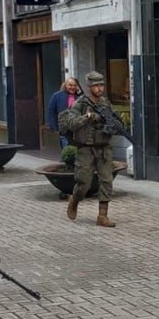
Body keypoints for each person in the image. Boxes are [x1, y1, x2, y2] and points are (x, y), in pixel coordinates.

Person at [60, 71, 117, 227]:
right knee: (84, 181)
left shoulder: (105, 103)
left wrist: (115, 125)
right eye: (96, 86)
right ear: (89, 86)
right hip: (86, 149)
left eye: (101, 85)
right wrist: (88, 117)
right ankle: (75, 200)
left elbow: (114, 119)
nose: (99, 89)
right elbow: (71, 123)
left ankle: (102, 215)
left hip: (103, 148)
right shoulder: (81, 103)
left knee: (106, 180)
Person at [47, 77, 82, 148]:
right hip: (64, 131)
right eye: (70, 85)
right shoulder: (57, 96)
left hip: (77, 131)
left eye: (75, 85)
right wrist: (54, 128)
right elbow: (51, 112)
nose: (72, 87)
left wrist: (80, 92)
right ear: (66, 85)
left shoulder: (80, 97)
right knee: (67, 152)